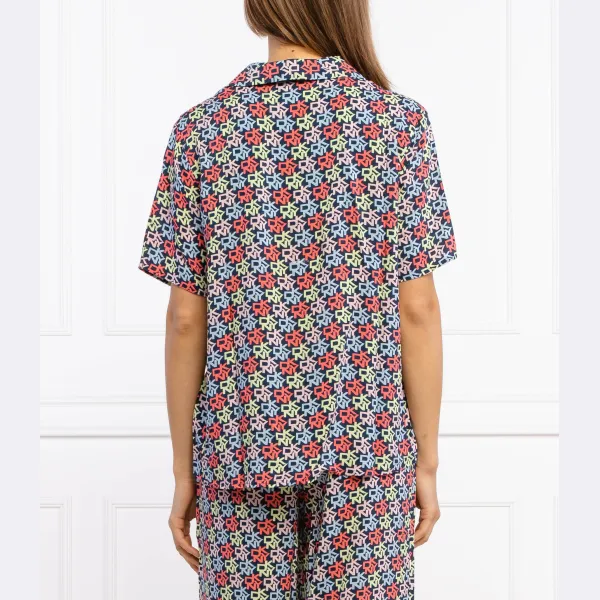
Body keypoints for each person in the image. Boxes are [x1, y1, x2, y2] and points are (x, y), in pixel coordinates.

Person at [138, 0, 457, 597]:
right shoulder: (397, 125)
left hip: (240, 446)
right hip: (365, 446)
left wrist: (184, 471)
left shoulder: (201, 131)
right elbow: (418, 309)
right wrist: (426, 461)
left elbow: (185, 318)